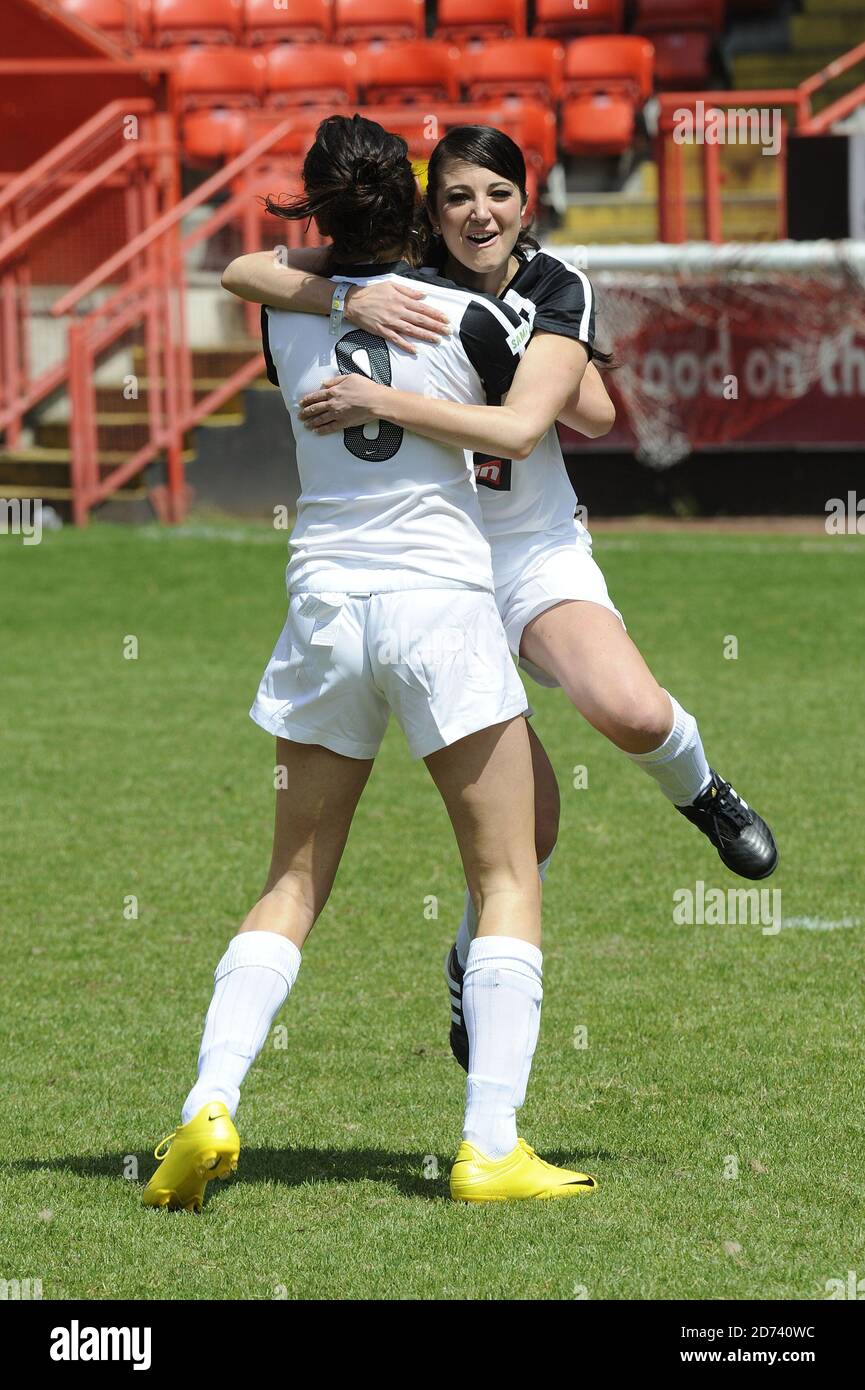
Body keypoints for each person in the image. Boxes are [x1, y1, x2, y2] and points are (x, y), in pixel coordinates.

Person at [223, 123, 778, 1067]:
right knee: (533, 823)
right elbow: (246, 270)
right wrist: (353, 293)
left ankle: (705, 793)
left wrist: (427, 384)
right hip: (436, 568)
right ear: (427, 212)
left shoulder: (550, 285)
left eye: (497, 194)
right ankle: (469, 963)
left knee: (630, 709)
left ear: (528, 203)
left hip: (527, 550)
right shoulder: (402, 273)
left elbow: (586, 414)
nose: (477, 213)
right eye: (456, 197)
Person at [143, 115, 598, 1212]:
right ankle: (489, 1143)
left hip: (323, 609)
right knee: (504, 874)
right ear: (416, 202)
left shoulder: (284, 318)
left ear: (317, 214)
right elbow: (550, 420)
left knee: (292, 882)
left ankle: (210, 1100)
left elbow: (251, 269)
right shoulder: (478, 314)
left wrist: (340, 290)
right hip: (438, 603)